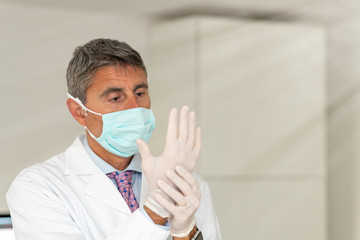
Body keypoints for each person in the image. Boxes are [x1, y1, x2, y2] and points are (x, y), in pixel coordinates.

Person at [6, 39, 221, 240]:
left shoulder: (184, 184)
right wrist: (155, 212)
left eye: (140, 93)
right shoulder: (38, 187)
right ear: (79, 112)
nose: (135, 108)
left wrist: (185, 232)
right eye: (116, 98)